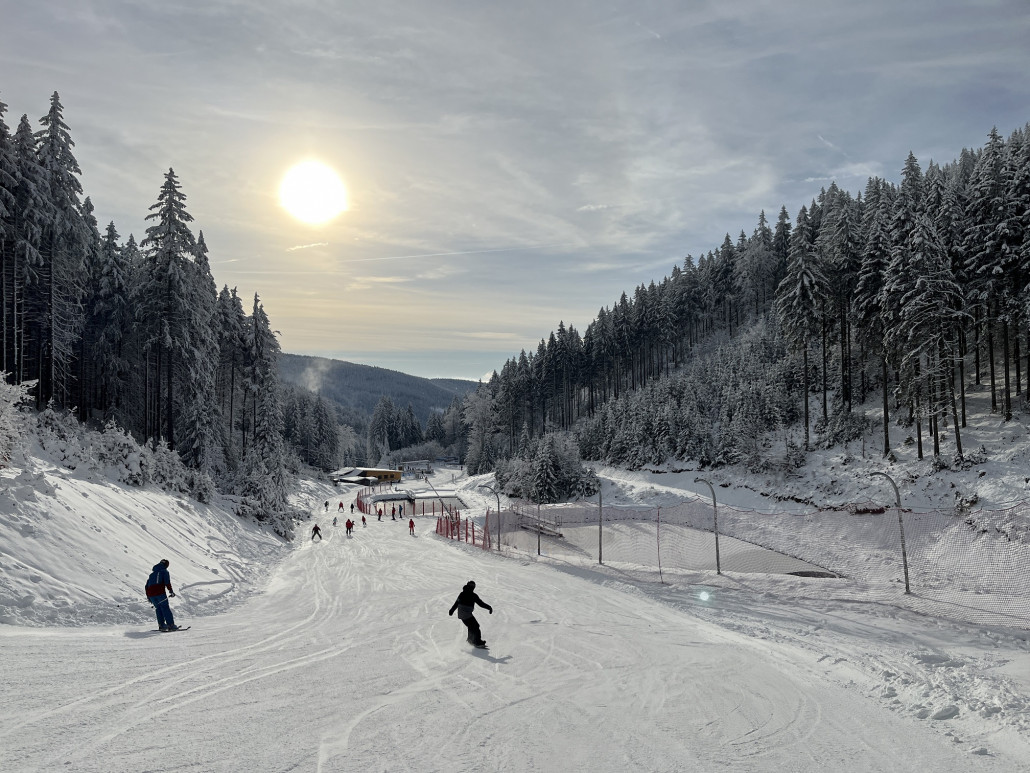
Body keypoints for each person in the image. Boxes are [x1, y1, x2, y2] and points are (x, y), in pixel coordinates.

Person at [448, 580, 492, 647]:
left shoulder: (462, 593)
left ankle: (470, 640)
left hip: (461, 614)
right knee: (476, 626)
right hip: (466, 614)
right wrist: (489, 607)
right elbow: (481, 604)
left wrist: (452, 610)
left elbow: (457, 603)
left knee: (471, 626)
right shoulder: (473, 595)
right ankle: (477, 642)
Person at [144, 559, 179, 631]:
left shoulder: (151, 574)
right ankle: (171, 625)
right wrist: (171, 591)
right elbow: (167, 582)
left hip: (151, 595)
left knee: (158, 608)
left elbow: (146, 586)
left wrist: (149, 597)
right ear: (166, 565)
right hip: (160, 593)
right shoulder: (164, 571)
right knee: (165, 608)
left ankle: (161, 625)